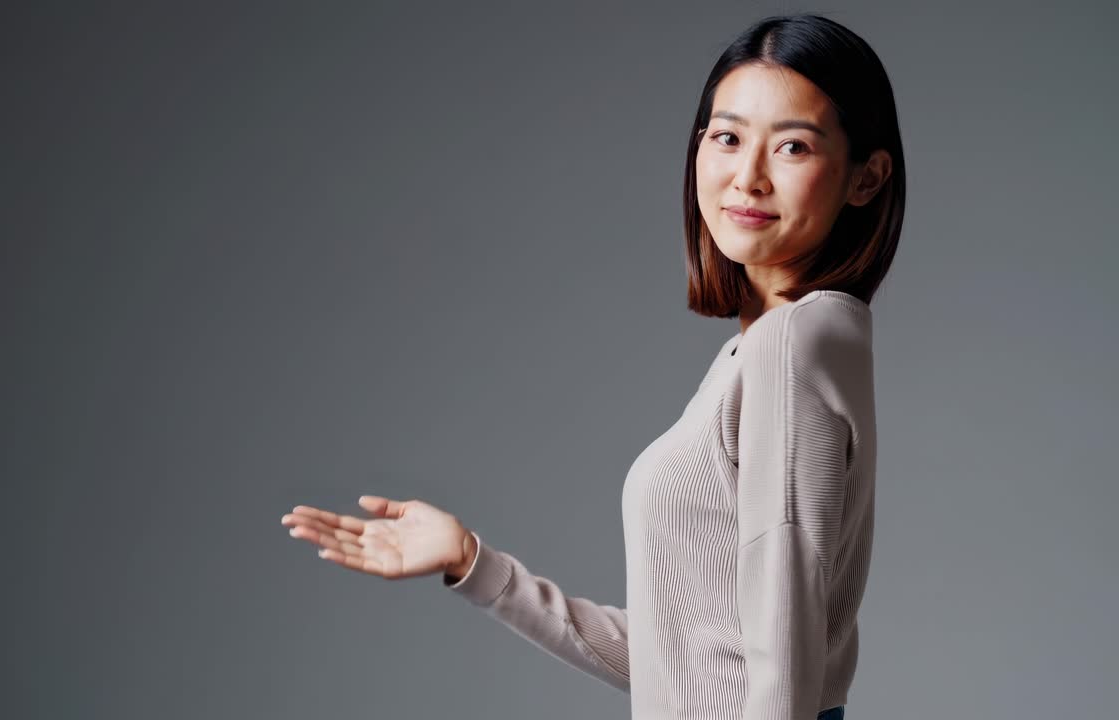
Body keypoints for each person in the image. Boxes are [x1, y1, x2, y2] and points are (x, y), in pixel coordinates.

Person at [281, 12, 904, 720]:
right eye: (728, 138)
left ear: (866, 178)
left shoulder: (789, 349)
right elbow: (688, 660)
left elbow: (781, 664)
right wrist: (473, 563)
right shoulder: (800, 343)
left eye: (792, 147)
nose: (748, 177)